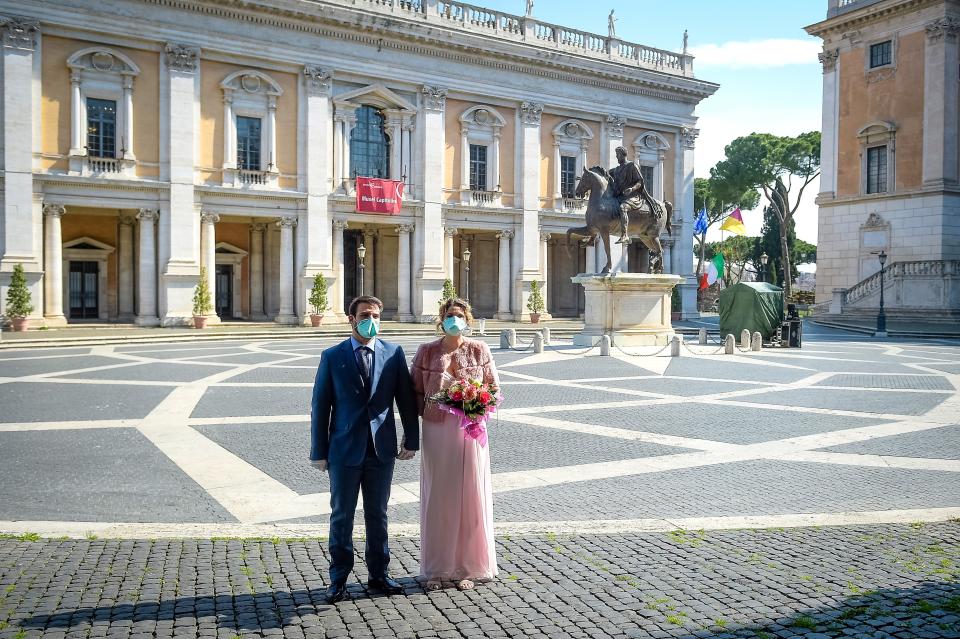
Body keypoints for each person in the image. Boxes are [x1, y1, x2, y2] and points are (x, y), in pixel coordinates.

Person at [309, 295, 420, 604]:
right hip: (343, 450)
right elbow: (321, 406)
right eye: (365, 315)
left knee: (378, 514)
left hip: (381, 449)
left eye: (376, 315)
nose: (371, 320)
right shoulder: (332, 356)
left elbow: (406, 401)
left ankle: (379, 575)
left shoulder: (393, 352)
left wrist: (412, 439)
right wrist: (319, 450)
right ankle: (338, 578)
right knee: (342, 515)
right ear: (352, 319)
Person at [410, 298, 498, 591]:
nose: (454, 320)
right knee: (438, 496)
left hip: (470, 429)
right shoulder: (427, 352)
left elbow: (494, 390)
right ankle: (436, 567)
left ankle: (467, 567)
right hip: (436, 429)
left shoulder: (479, 350)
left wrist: (473, 401)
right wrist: (427, 414)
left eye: (459, 315)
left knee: (470, 494)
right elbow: (414, 394)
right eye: (449, 315)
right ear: (441, 318)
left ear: (467, 320)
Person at [609, 145, 659, 244]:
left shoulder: (632, 166)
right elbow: (605, 174)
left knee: (623, 208)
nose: (616, 157)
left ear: (623, 155)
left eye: (617, 155)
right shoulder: (617, 170)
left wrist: (631, 189)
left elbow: (640, 181)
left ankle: (624, 235)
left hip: (632, 196)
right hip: (620, 196)